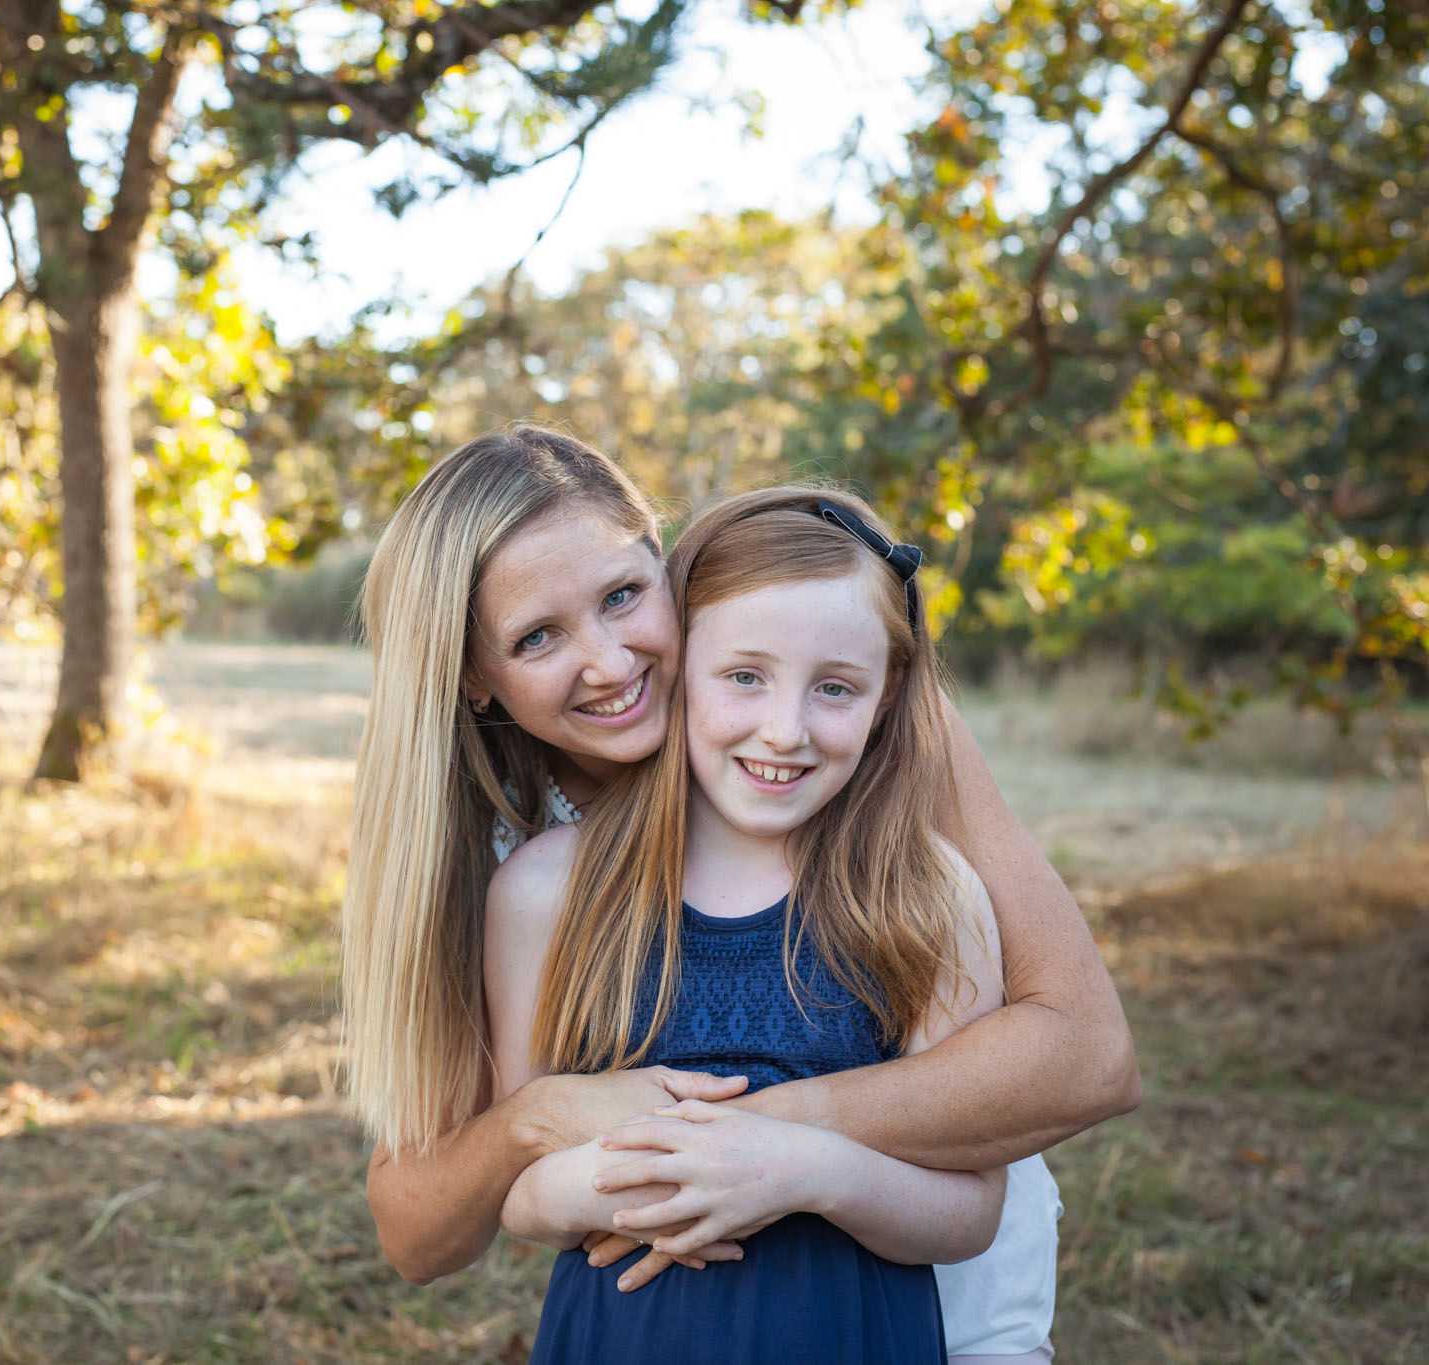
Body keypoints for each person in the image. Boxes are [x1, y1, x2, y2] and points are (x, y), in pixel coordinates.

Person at [340, 427, 1138, 1353]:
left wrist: (752, 1140)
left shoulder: (834, 706)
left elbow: (1089, 1055)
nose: (609, 662)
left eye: (623, 595)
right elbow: (415, 1225)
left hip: (926, 1272)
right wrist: (534, 1119)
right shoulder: (508, 862)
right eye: (538, 636)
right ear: (475, 674)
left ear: (670, 566)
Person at [492, 486, 1010, 1362]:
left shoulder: (927, 893)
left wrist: (809, 1171)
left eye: (836, 688)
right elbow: (518, 1189)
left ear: (886, 699)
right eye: (744, 676)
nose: (785, 730)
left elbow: (972, 1211)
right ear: (680, 670)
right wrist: (648, 1175)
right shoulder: (549, 889)